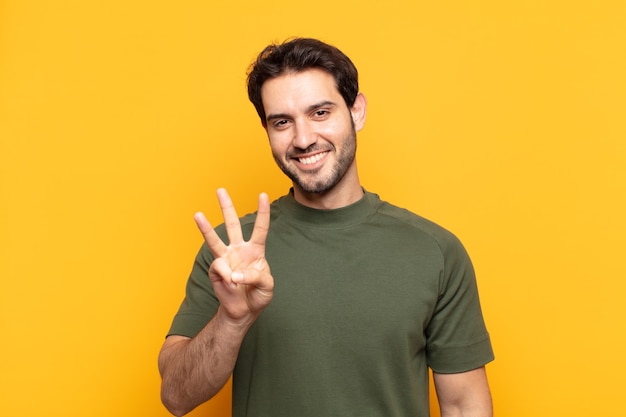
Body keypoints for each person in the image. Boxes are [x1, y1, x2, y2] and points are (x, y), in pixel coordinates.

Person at [158, 37, 494, 417]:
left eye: (320, 113)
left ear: (357, 111)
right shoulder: (231, 253)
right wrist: (232, 320)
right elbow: (175, 396)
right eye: (282, 122)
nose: (303, 139)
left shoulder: (434, 251)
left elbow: (465, 404)